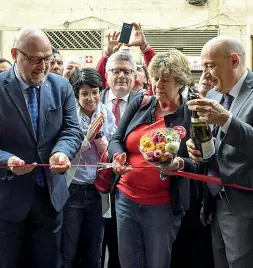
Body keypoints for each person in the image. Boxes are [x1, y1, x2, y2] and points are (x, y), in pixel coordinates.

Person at [0, 27, 83, 267]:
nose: (43, 66)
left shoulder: (61, 87)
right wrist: (7, 161)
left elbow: (71, 130)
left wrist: (61, 152)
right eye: (35, 60)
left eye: (48, 58)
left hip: (50, 197)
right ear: (15, 54)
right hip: (8, 198)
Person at [107, 50, 196, 268]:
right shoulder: (140, 102)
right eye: (155, 78)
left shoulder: (191, 114)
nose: (158, 84)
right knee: (128, 262)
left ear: (181, 82)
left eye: (166, 80)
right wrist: (117, 156)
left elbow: (201, 162)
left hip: (162, 206)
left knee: (158, 263)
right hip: (126, 199)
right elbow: (116, 139)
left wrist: (179, 163)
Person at [186, 36, 253, 268]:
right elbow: (214, 146)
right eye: (203, 66)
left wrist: (226, 119)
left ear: (233, 61)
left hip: (245, 207)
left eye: (210, 66)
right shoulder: (214, 96)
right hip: (216, 202)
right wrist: (196, 149)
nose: (205, 74)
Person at [61, 68, 116, 268]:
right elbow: (64, 149)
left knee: (95, 250)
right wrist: (87, 139)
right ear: (76, 94)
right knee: (68, 249)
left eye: (95, 92)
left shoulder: (106, 113)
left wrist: (101, 139)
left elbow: (112, 145)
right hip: (72, 189)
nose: (91, 98)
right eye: (84, 93)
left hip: (98, 191)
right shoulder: (69, 114)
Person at [100, 50, 139, 268]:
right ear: (107, 74)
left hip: (128, 183)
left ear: (135, 76)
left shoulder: (145, 103)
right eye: (116, 70)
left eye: (127, 71)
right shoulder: (93, 97)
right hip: (93, 185)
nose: (121, 76)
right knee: (96, 243)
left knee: (122, 246)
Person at [96, 23, 155, 93]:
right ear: (107, 77)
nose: (122, 75)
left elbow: (157, 71)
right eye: (116, 71)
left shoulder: (149, 100)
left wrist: (145, 47)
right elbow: (97, 78)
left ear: (147, 79)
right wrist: (108, 55)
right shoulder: (104, 95)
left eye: (137, 69)